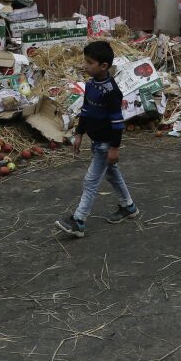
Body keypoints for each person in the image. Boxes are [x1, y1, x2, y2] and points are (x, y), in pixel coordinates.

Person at [55, 40, 139, 238]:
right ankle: (129, 207)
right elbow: (85, 111)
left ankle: (78, 221)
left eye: (89, 62)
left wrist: (114, 148)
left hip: (105, 143)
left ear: (104, 66)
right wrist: (78, 134)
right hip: (96, 142)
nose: (85, 65)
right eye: (85, 61)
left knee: (90, 182)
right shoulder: (91, 84)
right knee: (112, 175)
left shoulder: (112, 92)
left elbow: (118, 123)